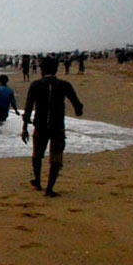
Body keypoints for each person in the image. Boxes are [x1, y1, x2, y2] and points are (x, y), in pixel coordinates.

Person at [21, 56, 84, 197]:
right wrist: (79, 109)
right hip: (57, 126)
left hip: (40, 125)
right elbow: (77, 107)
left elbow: (28, 107)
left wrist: (24, 128)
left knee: (37, 155)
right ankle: (49, 189)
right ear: (56, 69)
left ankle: (38, 181)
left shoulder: (36, 85)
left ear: (42, 69)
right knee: (56, 158)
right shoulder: (64, 85)